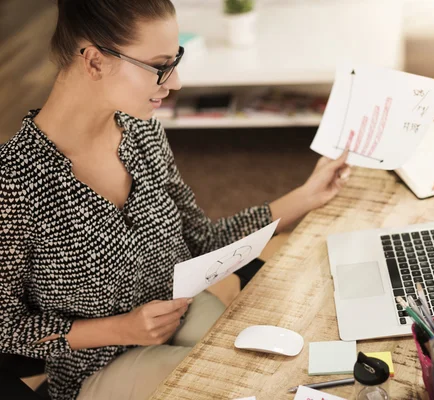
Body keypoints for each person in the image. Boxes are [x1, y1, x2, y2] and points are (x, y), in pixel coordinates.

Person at [0, 1, 350, 399]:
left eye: (176, 59)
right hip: (96, 366)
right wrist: (123, 328)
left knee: (275, 360)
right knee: (236, 385)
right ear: (95, 62)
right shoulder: (13, 182)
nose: (177, 81)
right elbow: (5, 326)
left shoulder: (143, 135)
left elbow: (200, 237)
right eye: (160, 65)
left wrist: (306, 195)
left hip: (178, 310)